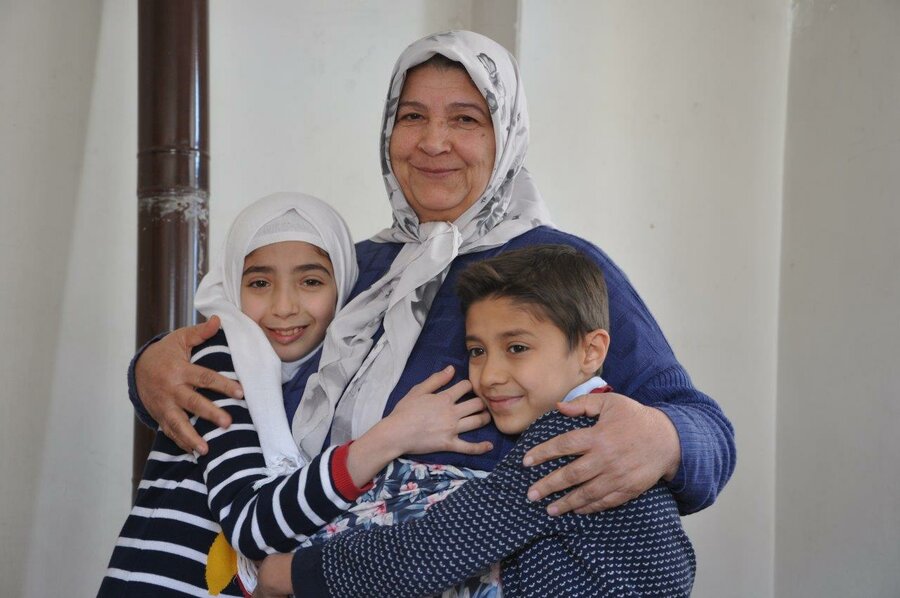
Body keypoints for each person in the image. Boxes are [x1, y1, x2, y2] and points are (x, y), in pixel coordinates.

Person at [129, 28, 734, 577]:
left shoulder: (557, 269)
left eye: (466, 119)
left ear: (507, 132)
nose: (434, 142)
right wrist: (149, 370)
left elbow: (704, 428)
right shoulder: (347, 268)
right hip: (289, 562)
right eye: (413, 116)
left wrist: (663, 437)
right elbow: (244, 364)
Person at [100, 193, 492, 597]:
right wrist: (393, 436)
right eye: (259, 283)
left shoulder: (324, 367)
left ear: (344, 289)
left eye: (310, 281)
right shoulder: (218, 360)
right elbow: (251, 526)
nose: (284, 306)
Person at [254, 244, 697, 598]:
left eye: (517, 348)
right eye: (477, 351)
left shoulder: (575, 439)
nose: (490, 375)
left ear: (590, 352)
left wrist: (294, 573)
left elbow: (432, 551)